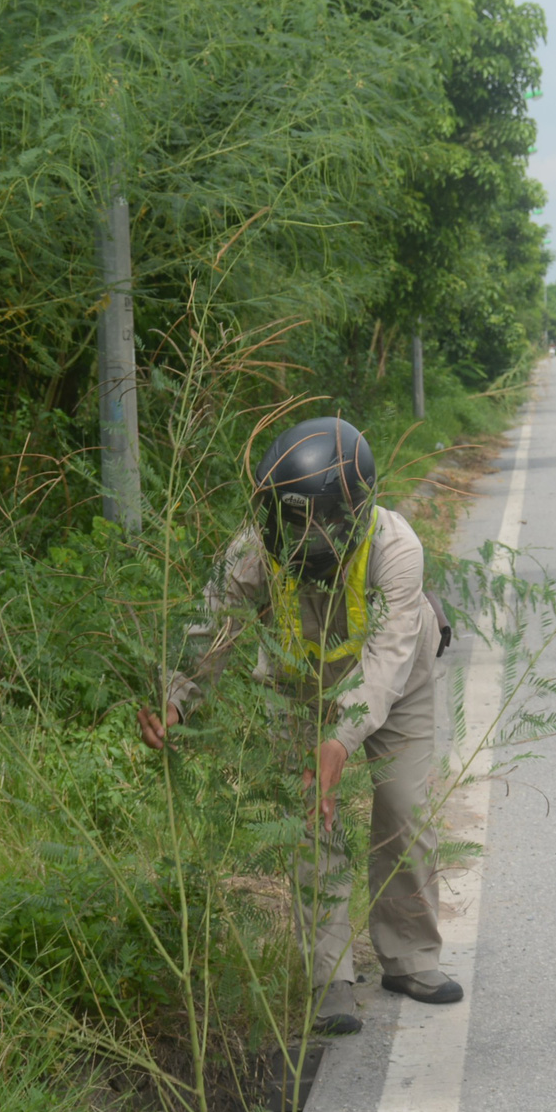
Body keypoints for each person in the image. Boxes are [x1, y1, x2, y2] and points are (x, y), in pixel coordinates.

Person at [136, 416, 461, 1035]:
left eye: (315, 520)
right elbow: (216, 629)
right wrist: (178, 699)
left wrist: (340, 741)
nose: (300, 533)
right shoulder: (257, 549)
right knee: (313, 821)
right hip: (297, 689)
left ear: (351, 510)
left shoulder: (397, 549)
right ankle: (329, 976)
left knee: (403, 806)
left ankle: (410, 955)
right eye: (290, 519)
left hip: (394, 679)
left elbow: (385, 667)